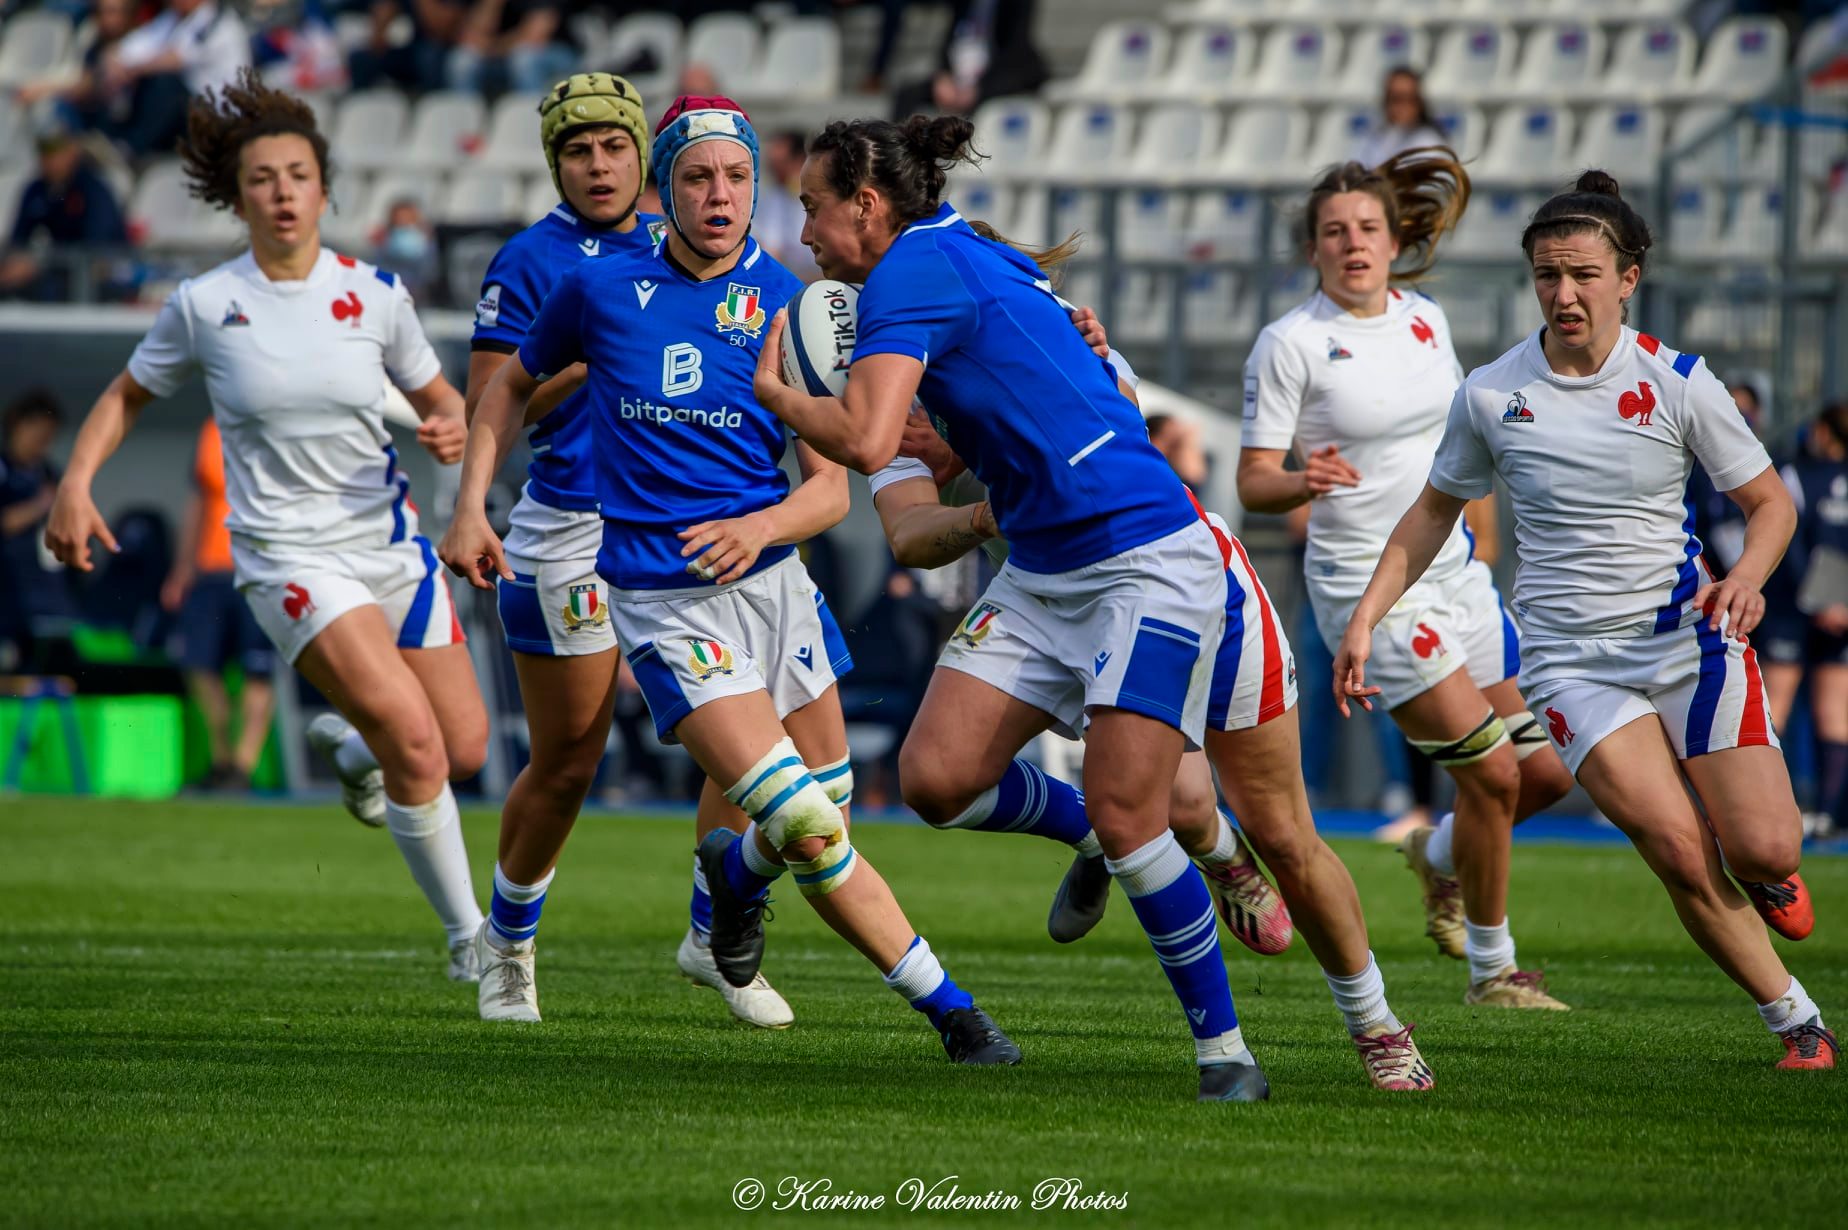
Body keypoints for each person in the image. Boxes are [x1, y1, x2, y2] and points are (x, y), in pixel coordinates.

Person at [446, 96, 1021, 1066]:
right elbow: (504, 385)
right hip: (662, 598)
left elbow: (830, 493)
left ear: (757, 186)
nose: (720, 195)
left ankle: (720, 903)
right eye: (698, 177)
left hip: (777, 587)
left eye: (737, 176)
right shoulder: (598, 292)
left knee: (822, 802)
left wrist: (760, 522)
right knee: (784, 812)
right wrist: (470, 503)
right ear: (665, 191)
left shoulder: (803, 305)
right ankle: (955, 1014)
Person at [755, 115, 1272, 1102]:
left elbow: (864, 440)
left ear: (866, 205)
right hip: (1042, 567)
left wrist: (776, 394)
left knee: (1147, 816)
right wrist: (986, 490)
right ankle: (1090, 833)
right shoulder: (946, 272)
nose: (806, 235)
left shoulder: (912, 273)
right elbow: (910, 509)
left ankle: (1227, 1056)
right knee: (937, 780)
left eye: (814, 209)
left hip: (1144, 556)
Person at [867, 228, 1432, 1091]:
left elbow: (1122, 426)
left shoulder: (1038, 329)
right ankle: (1124, 841)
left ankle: (1375, 1023)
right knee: (953, 780)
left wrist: (1085, 375)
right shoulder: (879, 365)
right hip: (1043, 582)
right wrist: (977, 505)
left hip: (1165, 565)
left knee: (1278, 829)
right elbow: (906, 527)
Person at [1335, 170, 1835, 1072]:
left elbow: (1771, 504)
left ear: (1628, 277)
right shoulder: (1492, 393)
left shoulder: (1679, 382)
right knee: (1679, 850)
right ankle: (1799, 1024)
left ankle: (1766, 870)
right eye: (1547, 276)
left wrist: (1751, 578)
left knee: (1762, 846)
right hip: (1571, 664)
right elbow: (1430, 511)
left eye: (1583, 275)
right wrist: (1368, 615)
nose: (1564, 294)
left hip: (1691, 641)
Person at [44, 71, 490, 983]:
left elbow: (441, 399)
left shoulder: (376, 295)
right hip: (287, 555)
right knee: (416, 742)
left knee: (466, 747)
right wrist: (75, 483)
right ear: (237, 195)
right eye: (263, 178)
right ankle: (474, 946)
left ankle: (354, 742)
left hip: (390, 546)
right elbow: (127, 396)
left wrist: (447, 423)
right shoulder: (207, 305)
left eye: (297, 174)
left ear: (325, 188)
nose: (282, 191)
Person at [438, 76, 792, 1029]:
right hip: (573, 531)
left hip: (694, 525)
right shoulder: (536, 260)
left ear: (651, 160)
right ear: (556, 163)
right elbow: (496, 398)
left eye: (614, 147)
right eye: (577, 150)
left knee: (747, 735)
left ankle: (712, 931)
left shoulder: (702, 238)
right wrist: (608, 352)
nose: (598, 165)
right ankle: (508, 942)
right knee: (569, 760)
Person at [1239, 152, 1576, 1010]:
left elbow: (1462, 442)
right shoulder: (1292, 343)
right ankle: (1493, 973)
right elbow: (1252, 482)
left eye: (1367, 228)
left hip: (1455, 568)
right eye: (1333, 232)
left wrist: (1486, 528)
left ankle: (1435, 855)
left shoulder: (1426, 318)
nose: (1352, 244)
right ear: (1313, 249)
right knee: (1495, 776)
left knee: (1549, 776)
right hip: (1367, 588)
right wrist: (1300, 479)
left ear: (1394, 241)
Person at [160, 416, 277, 792]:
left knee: (258, 672)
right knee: (198, 665)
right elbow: (197, 501)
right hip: (212, 569)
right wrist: (181, 567)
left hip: (263, 569)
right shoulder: (211, 429)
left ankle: (243, 766)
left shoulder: (280, 424)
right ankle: (221, 760)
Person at [1785, 403, 1848, 838]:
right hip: (1825, 609)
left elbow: (1786, 539)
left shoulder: (1795, 473)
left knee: (1774, 710)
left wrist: (1822, 599)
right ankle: (1822, 814)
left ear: (1824, 431)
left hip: (1793, 608)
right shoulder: (1796, 473)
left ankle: (1810, 814)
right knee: (1830, 715)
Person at [1, 126, 129, 302]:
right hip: (61, 272)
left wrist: (39, 265)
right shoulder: (37, 190)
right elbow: (19, 240)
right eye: (44, 151)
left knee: (50, 289)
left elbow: (96, 249)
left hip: (102, 274)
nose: (48, 158)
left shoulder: (92, 189)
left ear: (72, 150)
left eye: (55, 150)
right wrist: (18, 264)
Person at [0, 390, 71, 667]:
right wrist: (40, 505)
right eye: (39, 436)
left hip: (42, 590)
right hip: (7, 588)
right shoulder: (5, 469)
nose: (43, 445)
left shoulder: (49, 473)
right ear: (19, 425)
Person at [1353, 67, 1444, 171]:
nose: (1402, 107)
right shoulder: (1372, 137)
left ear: (1420, 102)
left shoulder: (1430, 143)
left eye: (1408, 99)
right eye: (1395, 99)